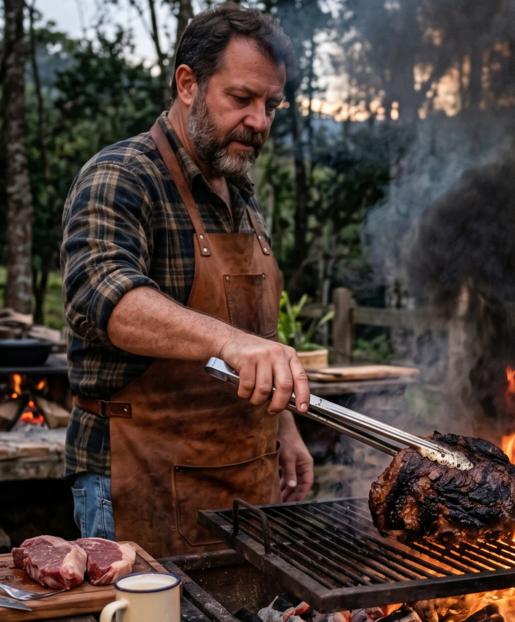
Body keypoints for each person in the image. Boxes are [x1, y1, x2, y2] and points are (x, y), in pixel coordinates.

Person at [59, 4, 312, 557]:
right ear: (188, 84)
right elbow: (102, 296)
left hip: (244, 479)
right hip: (138, 475)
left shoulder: (240, 195)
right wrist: (229, 341)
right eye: (242, 98)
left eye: (272, 104)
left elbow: (256, 337)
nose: (260, 120)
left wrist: (284, 428)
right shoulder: (123, 174)